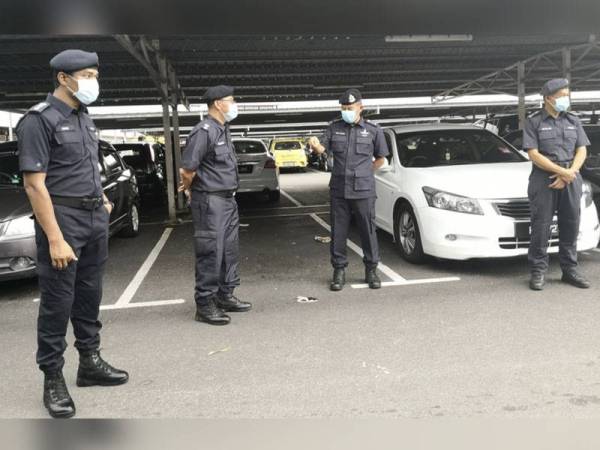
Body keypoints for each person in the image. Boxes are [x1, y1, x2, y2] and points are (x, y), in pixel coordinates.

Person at [17, 49, 128, 419]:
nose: (92, 82)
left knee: (89, 295)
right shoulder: (39, 120)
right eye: (85, 75)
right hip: (62, 220)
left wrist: (102, 199)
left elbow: (86, 164)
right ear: (63, 79)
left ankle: (90, 362)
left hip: (93, 216)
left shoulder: (84, 116)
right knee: (57, 302)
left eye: (95, 74)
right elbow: (35, 186)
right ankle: (52, 377)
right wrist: (54, 237)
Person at [179, 85, 251, 325]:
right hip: (210, 200)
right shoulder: (204, 131)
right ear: (219, 103)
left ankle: (224, 295)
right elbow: (187, 169)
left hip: (228, 200)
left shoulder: (223, 129)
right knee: (211, 251)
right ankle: (204, 304)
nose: (234, 104)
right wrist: (190, 188)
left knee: (228, 250)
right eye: (232, 100)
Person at [308, 89, 389, 291]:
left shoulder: (373, 130)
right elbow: (322, 150)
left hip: (364, 190)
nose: (346, 111)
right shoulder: (334, 128)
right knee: (338, 231)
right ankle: (339, 271)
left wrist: (365, 172)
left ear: (360, 107)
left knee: (368, 231)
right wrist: (316, 146)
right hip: (339, 189)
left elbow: (381, 158)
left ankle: (371, 270)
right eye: (343, 108)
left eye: (350, 108)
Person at [523, 78, 591, 290]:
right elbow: (533, 154)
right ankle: (538, 271)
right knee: (541, 226)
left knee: (570, 224)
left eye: (567, 95)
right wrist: (561, 172)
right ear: (548, 99)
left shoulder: (573, 120)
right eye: (562, 96)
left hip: (571, 177)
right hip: (544, 179)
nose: (566, 99)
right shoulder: (534, 122)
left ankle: (569, 270)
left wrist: (570, 173)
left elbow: (582, 149)